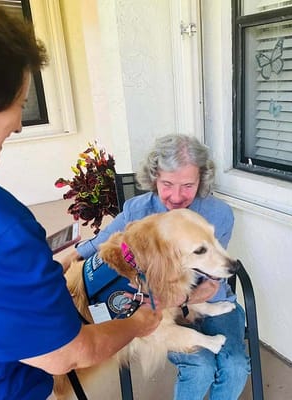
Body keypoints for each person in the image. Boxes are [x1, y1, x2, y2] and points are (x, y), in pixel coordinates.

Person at [0, 2, 162, 399]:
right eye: (20, 103)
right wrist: (139, 324)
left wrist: (31, 278)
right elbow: (66, 354)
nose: (20, 123)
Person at [63, 134, 251, 399]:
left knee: (235, 366)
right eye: (167, 184)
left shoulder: (218, 215)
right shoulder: (138, 211)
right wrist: (61, 263)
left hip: (201, 300)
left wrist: (177, 298)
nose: (176, 196)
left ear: (201, 181)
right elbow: (98, 244)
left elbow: (213, 281)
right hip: (157, 312)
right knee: (200, 366)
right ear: (154, 179)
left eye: (188, 185)